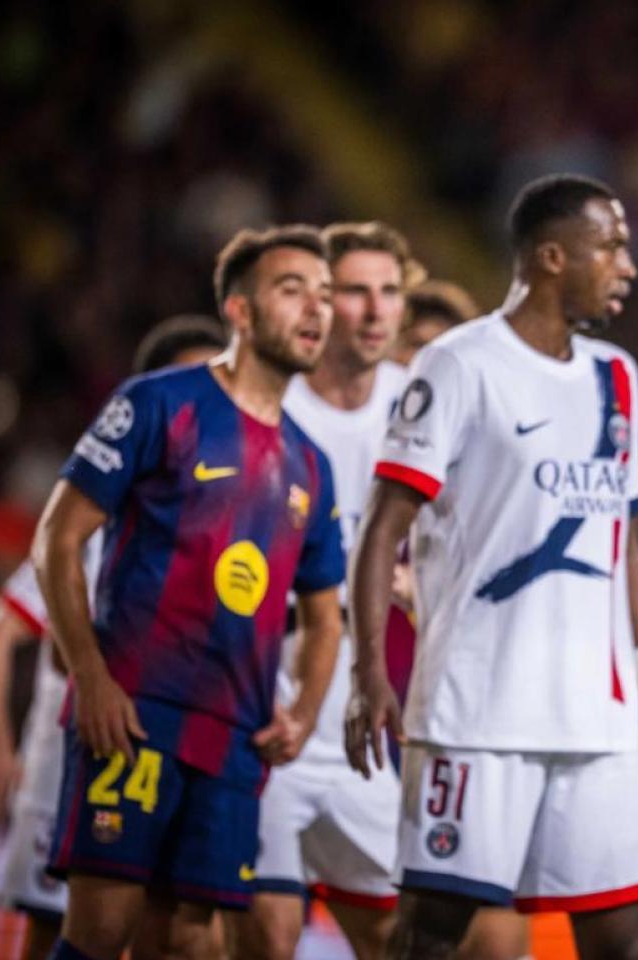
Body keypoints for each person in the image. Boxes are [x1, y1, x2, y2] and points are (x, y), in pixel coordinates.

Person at [345, 174, 638, 960]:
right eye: (610, 246)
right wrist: (372, 671)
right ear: (550, 256)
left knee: (623, 946)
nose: (627, 265)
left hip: (598, 727)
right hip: (478, 716)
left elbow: (621, 553)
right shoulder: (458, 364)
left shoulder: (618, 379)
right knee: (430, 939)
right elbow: (381, 528)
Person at [32, 226, 347, 960]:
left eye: (324, 295)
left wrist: (301, 713)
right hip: (135, 714)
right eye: (292, 289)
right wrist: (91, 676)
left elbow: (325, 618)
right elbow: (56, 537)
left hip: (235, 738)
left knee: (190, 941)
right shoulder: (158, 403)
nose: (316, 309)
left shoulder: (311, 463)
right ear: (239, 310)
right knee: (102, 930)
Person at [0, 316, 226, 960]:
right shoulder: (98, 526)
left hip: (173, 767)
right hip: (69, 768)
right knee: (68, 937)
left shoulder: (228, 527)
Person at [232, 222, 421, 960]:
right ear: (318, 302)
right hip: (266, 710)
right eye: (354, 292)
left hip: (360, 726)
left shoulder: (418, 402)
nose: (375, 311)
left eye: (389, 293)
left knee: (391, 935)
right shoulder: (271, 404)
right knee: (266, 936)